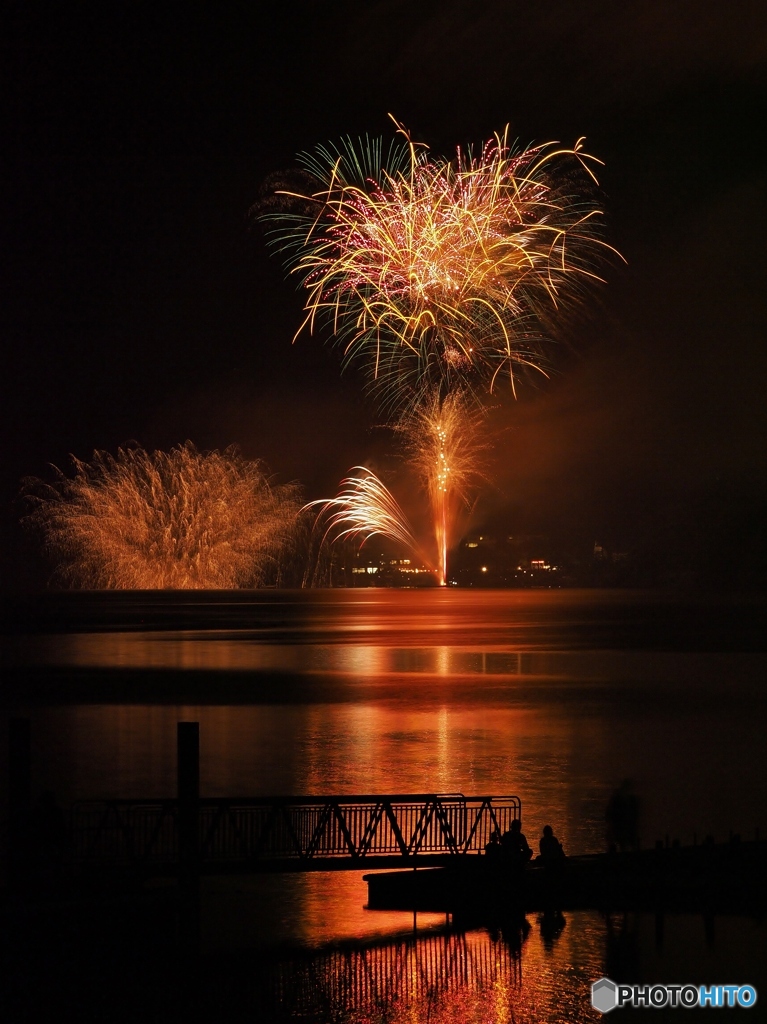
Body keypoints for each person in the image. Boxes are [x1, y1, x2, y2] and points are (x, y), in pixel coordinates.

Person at [605, 779, 640, 852]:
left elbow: (609, 813)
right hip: (621, 825)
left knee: (621, 843)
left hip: (619, 825)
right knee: (623, 843)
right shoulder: (625, 799)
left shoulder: (618, 798)